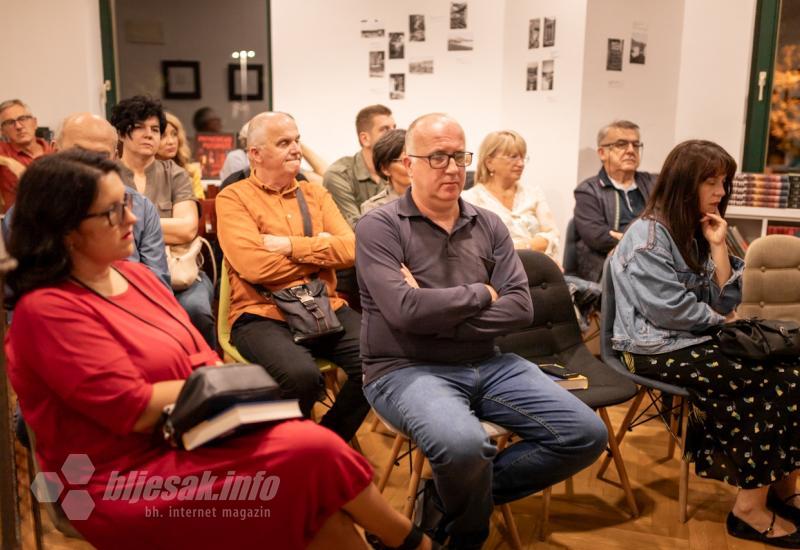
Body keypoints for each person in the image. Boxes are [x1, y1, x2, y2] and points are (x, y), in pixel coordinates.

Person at [6, 149, 436, 550]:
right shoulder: (46, 311)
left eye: (129, 203)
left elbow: (203, 358)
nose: (133, 218)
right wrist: (210, 382)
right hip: (119, 478)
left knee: (315, 478)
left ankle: (406, 542)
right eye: (114, 210)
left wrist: (208, 382)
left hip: (192, 435)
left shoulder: (133, 277)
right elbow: (132, 408)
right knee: (313, 452)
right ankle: (413, 542)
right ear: (65, 230)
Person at [356, 113, 608, 549]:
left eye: (459, 155)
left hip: (490, 361)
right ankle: (467, 534)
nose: (453, 167)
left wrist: (436, 310)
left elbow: (520, 308)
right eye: (437, 157)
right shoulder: (380, 227)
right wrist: (482, 293)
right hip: (404, 367)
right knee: (462, 445)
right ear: (409, 163)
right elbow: (404, 311)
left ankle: (445, 496)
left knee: (586, 434)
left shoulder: (488, 225)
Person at [610, 139, 800, 548]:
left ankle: (783, 488)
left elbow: (723, 299)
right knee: (762, 379)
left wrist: (718, 247)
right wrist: (723, 321)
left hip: (690, 338)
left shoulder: (698, 227)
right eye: (711, 182)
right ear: (683, 183)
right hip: (651, 348)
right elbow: (669, 312)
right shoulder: (646, 236)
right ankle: (748, 509)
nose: (721, 192)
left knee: (792, 372)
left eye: (724, 182)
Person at [216, 112, 370, 443]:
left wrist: (289, 246)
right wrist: (319, 252)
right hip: (261, 313)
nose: (296, 149)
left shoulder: (316, 194)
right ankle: (285, 451)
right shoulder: (233, 197)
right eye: (284, 142)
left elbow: (353, 250)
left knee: (379, 363)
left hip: (321, 304)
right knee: (301, 378)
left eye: (297, 140)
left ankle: (327, 441)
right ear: (255, 154)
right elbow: (254, 267)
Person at [2, 113, 170, 289]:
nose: (89, 166)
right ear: (56, 151)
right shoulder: (26, 213)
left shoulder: (140, 208)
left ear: (114, 157)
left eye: (101, 157)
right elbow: (19, 291)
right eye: (79, 154)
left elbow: (159, 287)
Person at [110, 95, 216, 348]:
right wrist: (163, 226)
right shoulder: (108, 174)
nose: (150, 135)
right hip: (124, 271)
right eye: (139, 127)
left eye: (155, 129)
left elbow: (187, 230)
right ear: (122, 134)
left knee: (197, 310)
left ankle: (208, 375)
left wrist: (135, 226)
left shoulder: (175, 173)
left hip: (181, 273)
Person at [573, 120, 656, 282]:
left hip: (652, 265)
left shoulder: (654, 184)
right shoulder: (588, 190)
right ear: (602, 153)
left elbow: (666, 224)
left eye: (636, 145)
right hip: (607, 269)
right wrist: (648, 242)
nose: (631, 150)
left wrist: (623, 237)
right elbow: (597, 237)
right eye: (622, 144)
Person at [461, 130, 559, 260]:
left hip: (542, 267)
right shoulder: (470, 200)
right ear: (489, 162)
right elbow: (481, 247)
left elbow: (553, 234)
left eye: (523, 157)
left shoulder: (533, 194)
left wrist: (523, 247)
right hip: (500, 274)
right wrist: (533, 245)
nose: (521, 164)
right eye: (513, 157)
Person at [324, 104, 396, 227]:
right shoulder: (339, 174)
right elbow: (357, 228)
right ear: (365, 139)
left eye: (394, 128)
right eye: (385, 129)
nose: (394, 134)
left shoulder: (401, 168)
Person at [0, 99, 52, 211]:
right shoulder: (3, 150)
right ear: (3, 131)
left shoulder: (55, 152)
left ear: (34, 123)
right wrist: (8, 161)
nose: (18, 126)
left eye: (22, 119)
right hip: (16, 223)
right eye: (9, 122)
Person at [360, 128, 409, 215]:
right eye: (404, 162)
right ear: (385, 169)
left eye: (415, 160)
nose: (413, 167)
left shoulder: (434, 199)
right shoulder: (374, 208)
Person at [157, 111, 205, 199]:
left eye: (174, 134)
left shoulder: (191, 171)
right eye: (163, 136)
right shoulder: (142, 173)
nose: (171, 142)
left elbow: (199, 205)